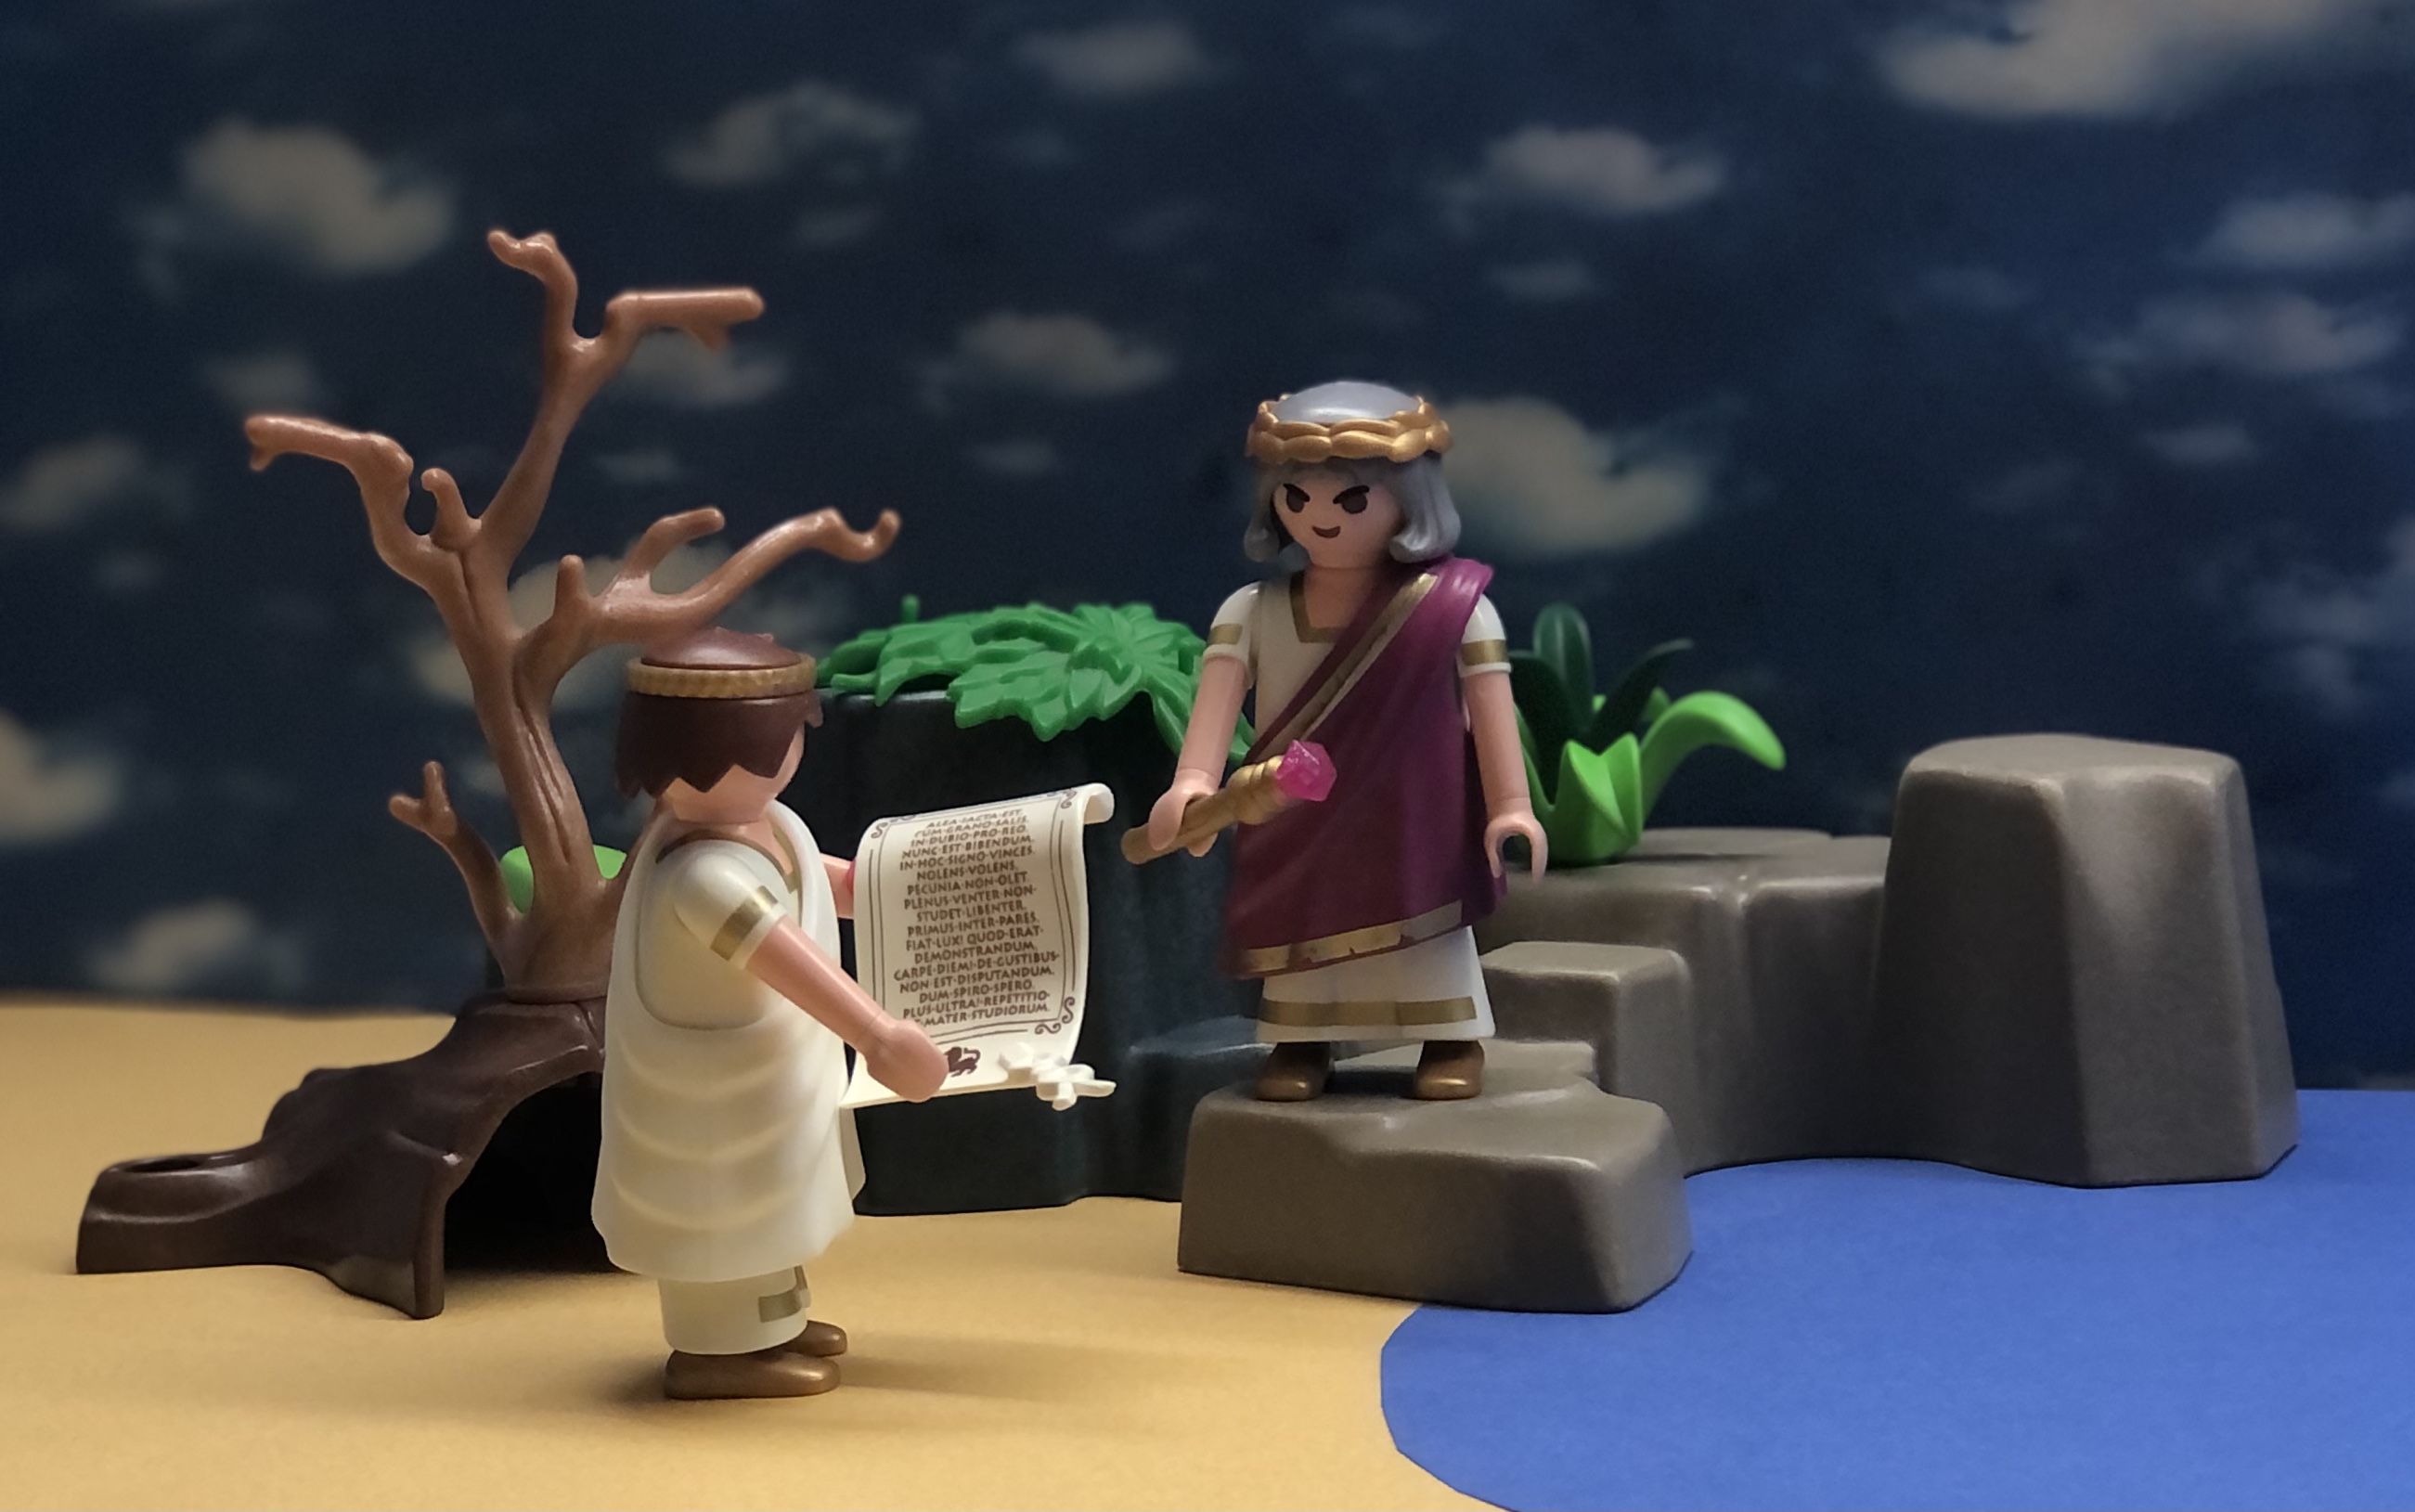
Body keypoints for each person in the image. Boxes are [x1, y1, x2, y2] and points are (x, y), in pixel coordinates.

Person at [1145, 381, 1545, 1103]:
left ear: (1411, 498)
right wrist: (1192, 785)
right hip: (1295, 814)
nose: (1320, 517)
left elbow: (1490, 713)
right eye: (1297, 497)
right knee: (1301, 935)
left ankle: (1449, 1036)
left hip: (1413, 813)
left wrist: (1511, 805)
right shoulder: (1252, 611)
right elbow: (1214, 713)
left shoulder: (1454, 608)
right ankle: (1303, 1042)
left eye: (1351, 498)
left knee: (1427, 930)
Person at [593, 628, 947, 1401]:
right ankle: (716, 1351)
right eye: (782, 735)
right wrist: (879, 1036)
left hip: (769, 1082)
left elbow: (822, 884)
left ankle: (772, 1325)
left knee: (772, 1214)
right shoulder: (702, 877)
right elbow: (786, 956)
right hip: (715, 1098)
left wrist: (904, 881)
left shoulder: (769, 824)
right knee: (727, 1220)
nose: (793, 751)